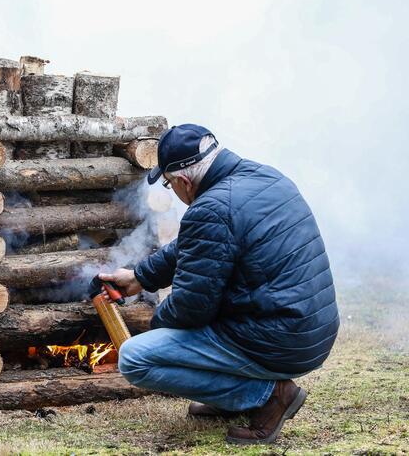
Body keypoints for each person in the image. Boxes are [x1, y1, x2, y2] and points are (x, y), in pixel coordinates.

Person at [99, 124, 339, 445]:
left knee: (136, 357)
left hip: (279, 339)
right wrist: (141, 277)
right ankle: (231, 399)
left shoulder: (211, 209)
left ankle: (269, 395)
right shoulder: (263, 176)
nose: (174, 192)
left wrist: (158, 327)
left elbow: (190, 308)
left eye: (170, 185)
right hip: (312, 331)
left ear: (184, 181)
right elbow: (194, 244)